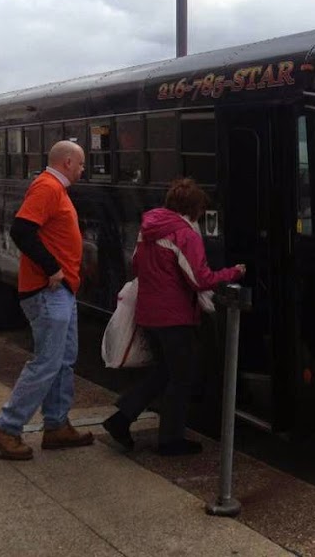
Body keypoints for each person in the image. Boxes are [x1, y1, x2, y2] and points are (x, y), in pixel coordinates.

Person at [103, 178, 246, 456]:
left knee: (165, 371)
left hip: (149, 312)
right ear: (193, 208)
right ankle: (169, 440)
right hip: (175, 316)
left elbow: (135, 263)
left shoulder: (149, 228)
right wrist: (233, 272)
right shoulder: (185, 235)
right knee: (183, 377)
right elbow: (200, 278)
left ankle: (121, 418)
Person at [0, 140, 94, 460]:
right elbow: (21, 230)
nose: (84, 170)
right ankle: (7, 427)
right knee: (47, 361)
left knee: (63, 359)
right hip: (49, 292)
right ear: (67, 163)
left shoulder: (55, 189)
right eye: (82, 164)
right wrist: (52, 268)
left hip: (62, 291)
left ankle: (57, 425)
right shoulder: (47, 188)